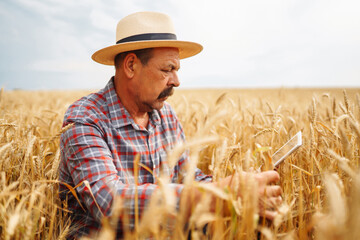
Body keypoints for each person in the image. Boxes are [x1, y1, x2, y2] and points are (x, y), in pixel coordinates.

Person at [59, 11, 282, 238]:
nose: (176, 81)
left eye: (176, 70)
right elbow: (108, 203)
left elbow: (186, 176)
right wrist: (216, 197)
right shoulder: (85, 119)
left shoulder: (165, 115)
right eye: (168, 69)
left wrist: (238, 187)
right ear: (131, 66)